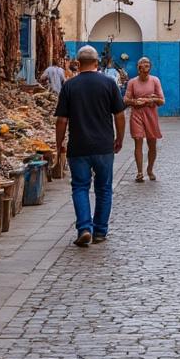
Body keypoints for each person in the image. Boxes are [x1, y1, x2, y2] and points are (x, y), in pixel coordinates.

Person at [54, 45, 126, 247]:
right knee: (103, 189)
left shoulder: (70, 86)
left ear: (78, 64)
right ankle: (100, 231)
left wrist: (58, 144)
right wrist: (119, 138)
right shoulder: (109, 84)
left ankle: (85, 228)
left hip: (78, 146)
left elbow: (61, 120)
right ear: (97, 63)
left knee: (80, 187)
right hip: (104, 146)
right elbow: (119, 115)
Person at [124, 57, 165, 182]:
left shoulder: (155, 80)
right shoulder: (132, 82)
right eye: (143, 65)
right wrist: (134, 101)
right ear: (138, 68)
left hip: (151, 114)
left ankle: (150, 169)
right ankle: (140, 172)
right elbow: (125, 99)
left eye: (148, 65)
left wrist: (151, 100)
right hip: (137, 113)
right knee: (138, 140)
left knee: (152, 143)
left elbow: (162, 100)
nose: (146, 68)